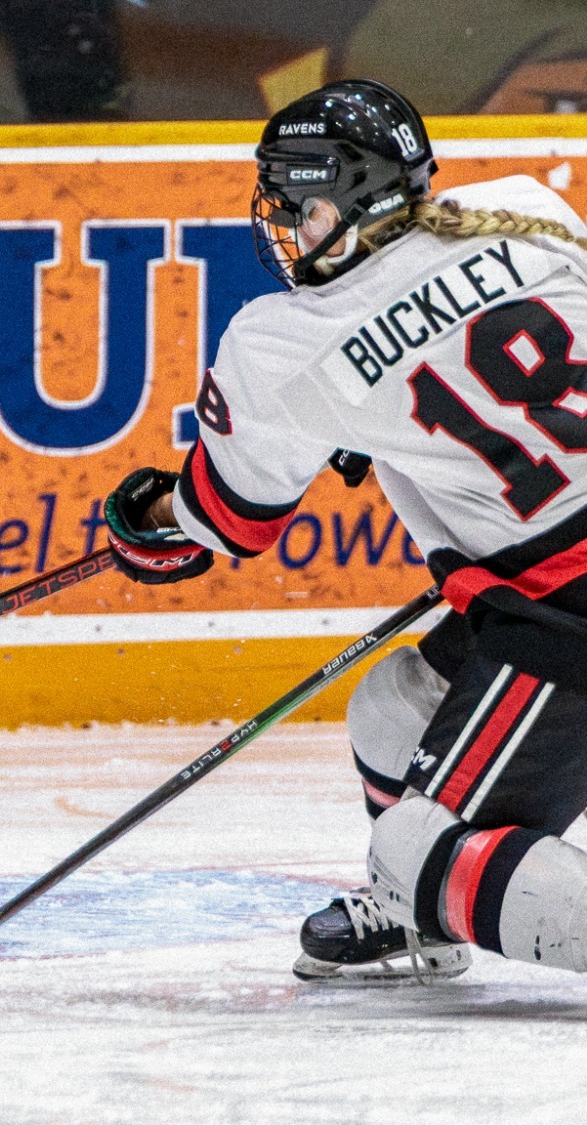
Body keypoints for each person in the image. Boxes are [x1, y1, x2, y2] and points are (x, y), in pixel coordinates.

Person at [102, 78, 587, 983]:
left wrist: (145, 521)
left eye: (301, 206)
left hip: (567, 607)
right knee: (394, 707)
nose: (288, 227)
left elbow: (225, 519)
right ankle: (418, 924)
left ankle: (419, 890)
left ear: (347, 197)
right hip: (549, 585)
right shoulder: (522, 205)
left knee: (417, 849)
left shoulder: (285, 341)